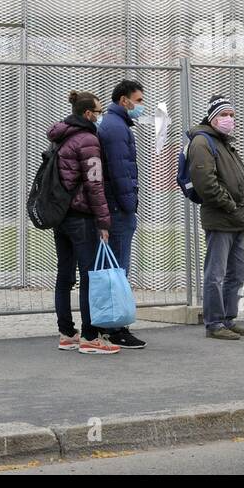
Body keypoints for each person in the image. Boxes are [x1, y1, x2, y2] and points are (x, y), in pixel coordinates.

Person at [50, 90, 117, 354]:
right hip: (81, 216)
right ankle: (90, 336)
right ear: (88, 114)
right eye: (99, 112)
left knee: (64, 274)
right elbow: (95, 183)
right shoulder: (88, 140)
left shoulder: (60, 136)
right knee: (90, 276)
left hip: (61, 214)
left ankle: (67, 333)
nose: (100, 117)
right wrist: (104, 221)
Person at [186, 95, 244, 341]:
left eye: (231, 115)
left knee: (236, 272)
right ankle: (214, 322)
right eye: (223, 115)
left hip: (237, 218)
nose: (228, 119)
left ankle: (228, 318)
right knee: (215, 273)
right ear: (212, 117)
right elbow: (206, 182)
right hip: (222, 217)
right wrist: (229, 204)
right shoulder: (202, 142)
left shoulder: (224, 142)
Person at [96, 78, 146, 350]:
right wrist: (129, 205)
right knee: (117, 269)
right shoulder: (116, 128)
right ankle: (115, 328)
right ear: (124, 100)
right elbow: (120, 171)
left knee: (114, 268)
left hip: (117, 207)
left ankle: (112, 325)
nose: (141, 106)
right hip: (118, 209)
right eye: (138, 101)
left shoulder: (117, 124)